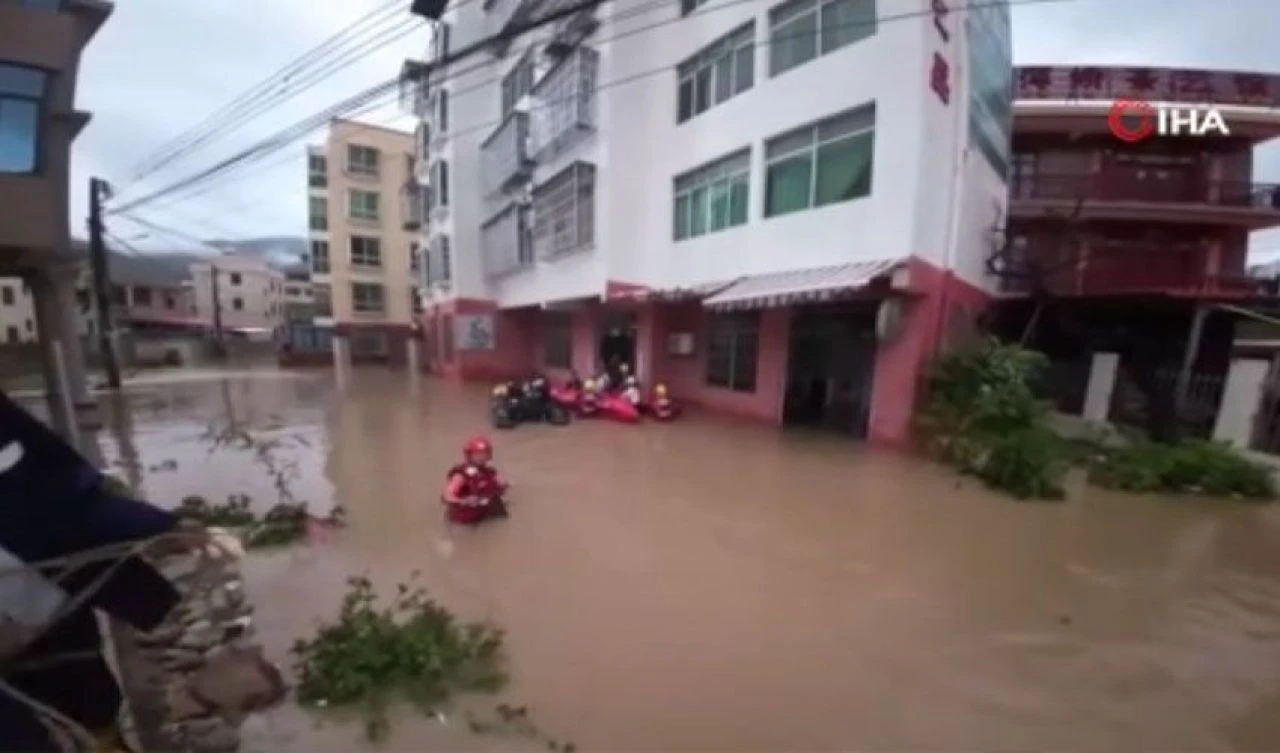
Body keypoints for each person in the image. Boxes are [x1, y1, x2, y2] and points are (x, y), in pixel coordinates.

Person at [0, 389, 185, 752]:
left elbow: (57, 496)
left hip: (49, 642)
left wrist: (167, 530)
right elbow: (59, 499)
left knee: (83, 701)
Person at [440, 435, 509, 525]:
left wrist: (505, 486)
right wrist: (463, 501)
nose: (482, 457)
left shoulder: (491, 471)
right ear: (469, 455)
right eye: (477, 454)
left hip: (489, 515)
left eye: (484, 453)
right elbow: (447, 496)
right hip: (467, 518)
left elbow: (502, 486)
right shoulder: (461, 475)